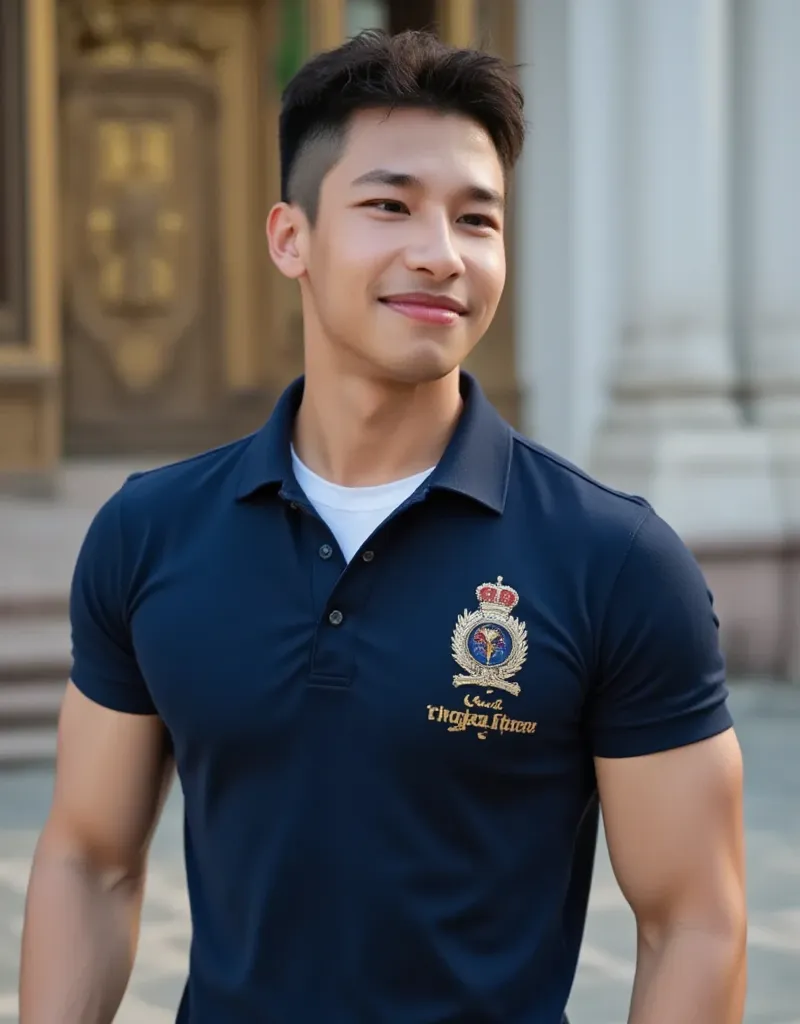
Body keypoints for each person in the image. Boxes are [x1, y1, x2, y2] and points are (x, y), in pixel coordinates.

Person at [20, 29, 746, 1024]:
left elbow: (693, 922)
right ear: (290, 238)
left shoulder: (613, 561)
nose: (439, 254)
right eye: (388, 205)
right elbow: (89, 860)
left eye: (475, 220)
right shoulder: (150, 534)